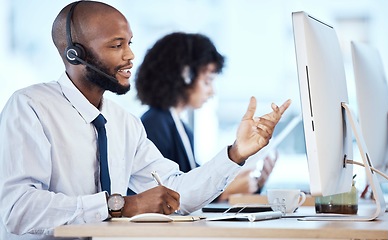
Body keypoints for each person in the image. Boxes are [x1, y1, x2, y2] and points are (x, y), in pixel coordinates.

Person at [0, 1, 291, 239]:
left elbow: (178, 195)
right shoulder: (31, 107)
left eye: (129, 43)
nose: (130, 56)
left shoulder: (123, 122)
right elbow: (17, 210)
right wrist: (121, 206)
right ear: (75, 54)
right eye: (116, 46)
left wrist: (235, 153)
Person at [135, 32, 278, 201]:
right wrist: (224, 192)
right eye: (207, 81)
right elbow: (167, 196)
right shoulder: (154, 125)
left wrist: (253, 184)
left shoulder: (181, 128)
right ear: (185, 75)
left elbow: (196, 184)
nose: (212, 91)